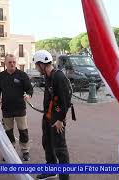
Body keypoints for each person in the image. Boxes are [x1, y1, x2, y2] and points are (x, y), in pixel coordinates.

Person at [33, 50, 71, 180]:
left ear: (41, 64)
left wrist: (60, 119)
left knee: (60, 150)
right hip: (48, 118)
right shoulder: (48, 77)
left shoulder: (58, 77)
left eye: (37, 66)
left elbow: (66, 99)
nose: (37, 69)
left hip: (57, 120)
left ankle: (64, 178)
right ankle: (51, 170)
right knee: (47, 144)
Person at [0, 54, 33, 161]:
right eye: (10, 62)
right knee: (8, 131)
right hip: (6, 108)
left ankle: (25, 151)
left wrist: (28, 95)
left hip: (20, 107)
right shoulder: (1, 76)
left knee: (23, 131)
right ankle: (10, 151)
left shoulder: (22, 75)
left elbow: (29, 89)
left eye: (14, 62)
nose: (12, 64)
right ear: (5, 63)